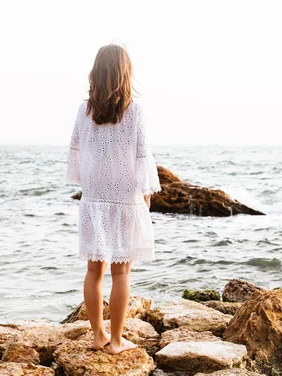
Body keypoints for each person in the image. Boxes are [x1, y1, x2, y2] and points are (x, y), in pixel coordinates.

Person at [66, 44, 161, 354]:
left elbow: (76, 150)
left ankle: (98, 335)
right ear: (125, 74)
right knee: (121, 272)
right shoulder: (134, 111)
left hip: (95, 197)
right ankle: (117, 341)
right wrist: (146, 194)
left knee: (94, 271)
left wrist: (89, 184)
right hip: (125, 196)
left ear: (96, 73)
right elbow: (142, 155)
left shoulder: (85, 110)